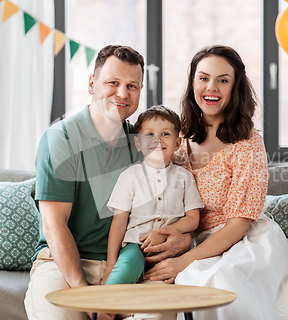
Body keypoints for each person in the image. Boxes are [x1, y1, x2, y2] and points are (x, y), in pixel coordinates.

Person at [143, 45, 288, 320]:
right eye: (203, 78)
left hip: (244, 241)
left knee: (224, 282)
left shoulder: (248, 143)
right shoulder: (177, 138)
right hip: (196, 241)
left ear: (235, 88)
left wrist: (182, 262)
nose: (212, 87)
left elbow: (237, 225)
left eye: (223, 80)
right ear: (192, 83)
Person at [24, 45, 192, 320]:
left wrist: (182, 240)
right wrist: (86, 295)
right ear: (92, 84)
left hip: (130, 262)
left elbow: (174, 203)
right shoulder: (61, 139)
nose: (123, 94)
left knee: (159, 315)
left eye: (132, 86)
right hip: (64, 265)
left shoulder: (143, 143)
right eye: (113, 83)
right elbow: (54, 226)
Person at [102, 105, 204, 287]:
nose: (157, 139)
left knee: (184, 282)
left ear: (177, 143)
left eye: (165, 134)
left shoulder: (184, 177)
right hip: (136, 246)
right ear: (138, 144)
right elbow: (118, 222)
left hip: (173, 247)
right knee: (124, 272)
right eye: (149, 134)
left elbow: (193, 219)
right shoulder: (130, 176)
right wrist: (111, 264)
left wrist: (161, 234)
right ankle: (105, 312)